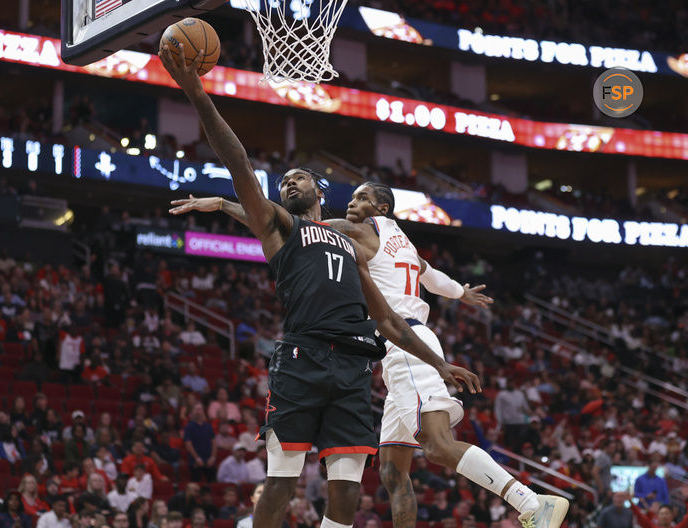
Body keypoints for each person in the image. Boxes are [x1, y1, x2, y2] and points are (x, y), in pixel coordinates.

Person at [162, 43, 475, 528]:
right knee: (282, 481)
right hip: (302, 359)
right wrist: (195, 90)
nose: (288, 182)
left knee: (346, 496)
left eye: (297, 177)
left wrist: (439, 362)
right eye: (283, 180)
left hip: (352, 367)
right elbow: (239, 162)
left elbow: (388, 319)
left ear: (319, 191)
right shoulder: (282, 230)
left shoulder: (348, 243)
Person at [189, 182, 567, 528]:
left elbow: (283, 224)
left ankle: (531, 503)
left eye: (362, 198)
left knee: (437, 445)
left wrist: (225, 204)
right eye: (351, 199)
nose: (353, 203)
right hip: (399, 351)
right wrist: (460, 293)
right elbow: (433, 277)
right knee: (391, 470)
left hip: (405, 347)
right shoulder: (405, 245)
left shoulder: (360, 231)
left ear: (382, 207)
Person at [183, 404, 216, 481]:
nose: (198, 411)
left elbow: (214, 443)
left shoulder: (208, 426)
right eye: (196, 409)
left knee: (212, 482)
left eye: (200, 409)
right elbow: (188, 444)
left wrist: (213, 457)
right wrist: (197, 458)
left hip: (209, 460)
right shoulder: (189, 427)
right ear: (192, 412)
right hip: (195, 461)